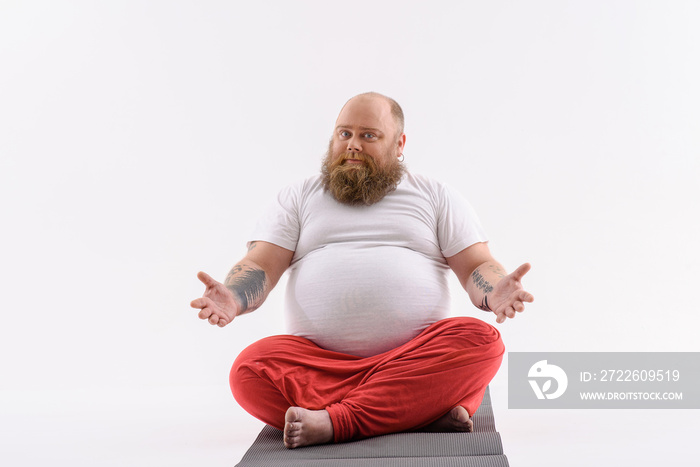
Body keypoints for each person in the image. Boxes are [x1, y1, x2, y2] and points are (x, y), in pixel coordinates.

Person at [190, 92, 533, 449]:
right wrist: (233, 296)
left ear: (399, 144)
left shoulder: (435, 196)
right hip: (322, 369)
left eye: (368, 135)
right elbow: (260, 264)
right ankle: (417, 409)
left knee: (482, 341)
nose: (352, 145)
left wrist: (494, 291)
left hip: (413, 358)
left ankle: (337, 421)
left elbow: (477, 265)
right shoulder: (298, 197)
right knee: (250, 369)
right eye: (344, 134)